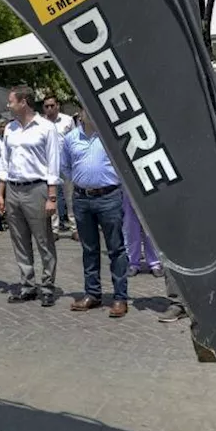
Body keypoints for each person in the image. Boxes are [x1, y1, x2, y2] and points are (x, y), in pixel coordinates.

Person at [0, 86, 61, 306]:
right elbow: (4, 162)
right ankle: (27, 285)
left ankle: (47, 286)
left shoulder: (46, 127)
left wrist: (52, 196)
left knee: (44, 240)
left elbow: (53, 162)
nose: (8, 105)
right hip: (14, 188)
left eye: (11, 101)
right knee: (20, 240)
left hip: (37, 188)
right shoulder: (10, 129)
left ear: (23, 102)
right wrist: (1, 193)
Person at [62, 111, 129, 317]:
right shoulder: (70, 138)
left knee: (116, 248)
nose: (89, 113)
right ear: (80, 114)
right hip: (82, 198)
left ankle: (120, 297)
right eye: (85, 109)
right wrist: (84, 182)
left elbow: (124, 162)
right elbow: (65, 166)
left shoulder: (111, 135)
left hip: (109, 196)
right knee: (89, 248)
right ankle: (92, 293)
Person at [42, 95, 75, 232]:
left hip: (66, 163)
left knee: (70, 196)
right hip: (48, 165)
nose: (49, 108)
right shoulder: (41, 122)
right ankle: (54, 229)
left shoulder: (68, 120)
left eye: (52, 105)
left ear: (58, 105)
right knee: (51, 196)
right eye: (46, 106)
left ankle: (75, 228)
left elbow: (74, 141)